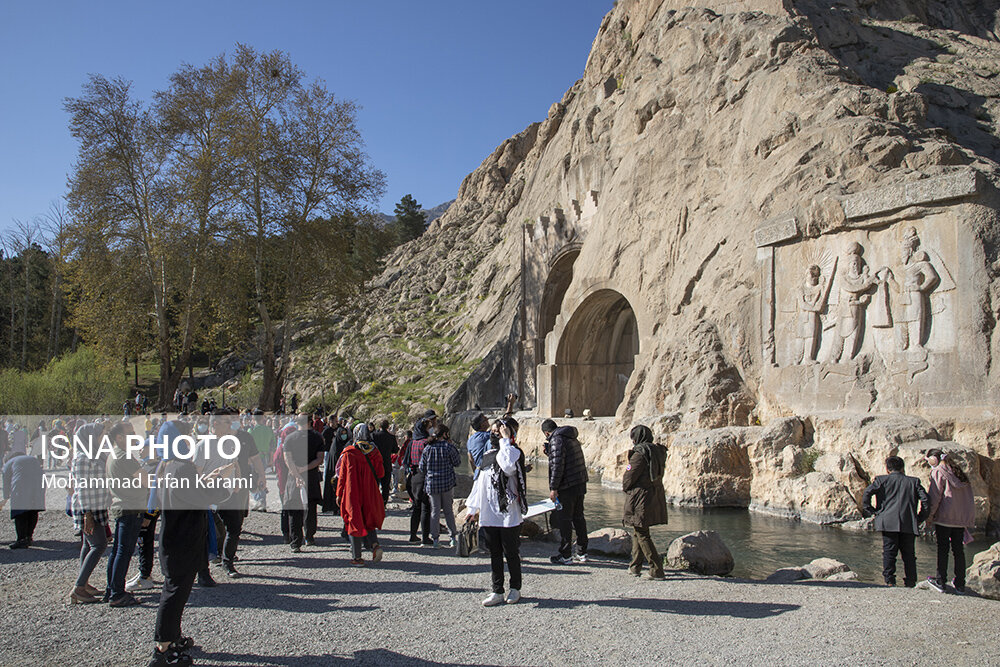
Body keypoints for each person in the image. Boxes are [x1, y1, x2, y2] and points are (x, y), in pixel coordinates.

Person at [149, 422, 235, 667]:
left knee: (177, 590)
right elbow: (203, 497)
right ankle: (163, 648)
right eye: (187, 439)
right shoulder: (181, 469)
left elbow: (191, 492)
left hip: (177, 538)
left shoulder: (169, 466)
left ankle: (171, 638)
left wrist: (208, 478)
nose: (191, 443)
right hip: (182, 540)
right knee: (175, 593)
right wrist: (221, 481)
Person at [465, 420, 527, 606]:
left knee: (511, 552)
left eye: (499, 431)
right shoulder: (488, 455)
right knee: (495, 553)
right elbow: (480, 481)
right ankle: (497, 590)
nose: (495, 435)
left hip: (509, 513)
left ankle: (515, 588)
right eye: (493, 431)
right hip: (490, 512)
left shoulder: (514, 452)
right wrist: (472, 508)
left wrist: (506, 440)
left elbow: (507, 467)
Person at [862, 456, 929, 587]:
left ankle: (890, 581)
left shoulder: (881, 480)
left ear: (887, 469)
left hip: (887, 521)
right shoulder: (914, 482)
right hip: (908, 521)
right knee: (909, 554)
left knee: (889, 552)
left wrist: (872, 510)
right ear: (903, 468)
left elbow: (867, 494)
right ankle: (910, 581)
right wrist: (920, 517)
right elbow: (925, 500)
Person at [105, 421, 147, 607]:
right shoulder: (125, 457)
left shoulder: (114, 455)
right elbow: (146, 480)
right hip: (130, 508)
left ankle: (112, 588)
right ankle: (117, 593)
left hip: (122, 506)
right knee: (124, 551)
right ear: (119, 437)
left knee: (117, 551)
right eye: (130, 434)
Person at [69, 421, 112, 603]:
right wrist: (87, 515)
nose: (102, 437)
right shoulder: (82, 458)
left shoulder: (94, 454)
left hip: (97, 506)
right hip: (88, 508)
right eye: (100, 434)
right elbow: (82, 488)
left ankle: (84, 582)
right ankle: (78, 588)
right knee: (99, 545)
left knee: (88, 545)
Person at [925, 448, 975, 593]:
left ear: (934, 459)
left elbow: (935, 497)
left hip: (944, 518)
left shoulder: (938, 472)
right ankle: (960, 584)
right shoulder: (959, 472)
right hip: (959, 519)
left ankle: (940, 580)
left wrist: (929, 517)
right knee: (958, 550)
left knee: (943, 549)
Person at [622, 425, 668, 580]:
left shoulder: (640, 453)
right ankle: (635, 566)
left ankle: (656, 569)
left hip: (640, 496)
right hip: (654, 494)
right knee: (638, 530)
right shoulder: (657, 451)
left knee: (642, 533)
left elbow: (629, 476)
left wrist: (626, 487)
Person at [541, 419, 589, 565]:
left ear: (547, 433)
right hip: (579, 482)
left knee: (565, 520)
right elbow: (564, 459)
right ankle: (582, 552)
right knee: (578, 517)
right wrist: (550, 453)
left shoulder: (556, 440)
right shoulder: (570, 437)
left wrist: (553, 488)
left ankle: (566, 554)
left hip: (567, 486)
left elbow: (557, 466)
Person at [336, 423, 385, 565]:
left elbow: (342, 476)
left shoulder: (349, 452)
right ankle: (375, 545)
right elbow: (381, 473)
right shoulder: (374, 451)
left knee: (354, 519)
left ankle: (357, 557)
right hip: (370, 490)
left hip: (354, 490)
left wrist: (339, 494)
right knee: (368, 518)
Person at [419, 424, 461, 548]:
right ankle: (452, 537)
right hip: (447, 483)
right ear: (444, 434)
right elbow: (457, 462)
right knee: (448, 511)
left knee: (435, 511)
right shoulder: (449, 447)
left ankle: (435, 539)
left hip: (432, 484)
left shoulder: (428, 448)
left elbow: (422, 467)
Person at [2, 450, 45, 549]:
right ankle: (29, 536)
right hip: (39, 484)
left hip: (21, 485)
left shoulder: (9, 463)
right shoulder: (32, 459)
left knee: (20, 512)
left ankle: (21, 539)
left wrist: (5, 498)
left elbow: (6, 482)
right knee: (33, 510)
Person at [407, 411, 437, 545]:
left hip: (414, 476)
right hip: (425, 476)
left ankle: (413, 534)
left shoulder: (412, 443)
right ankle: (425, 537)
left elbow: (407, 460)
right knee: (426, 507)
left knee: (416, 507)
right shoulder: (426, 443)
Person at [372, 420, 399, 503]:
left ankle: (374, 501)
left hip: (376, 462)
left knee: (375, 484)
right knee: (385, 485)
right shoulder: (391, 437)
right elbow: (395, 450)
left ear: (379, 426)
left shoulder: (374, 435)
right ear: (388, 427)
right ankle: (384, 502)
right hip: (387, 463)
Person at [466, 413, 491, 480]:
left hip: (478, 473)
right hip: (487, 474)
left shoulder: (471, 439)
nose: (488, 420)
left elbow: (471, 459)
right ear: (482, 424)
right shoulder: (487, 436)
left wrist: (476, 471)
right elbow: (502, 425)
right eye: (485, 419)